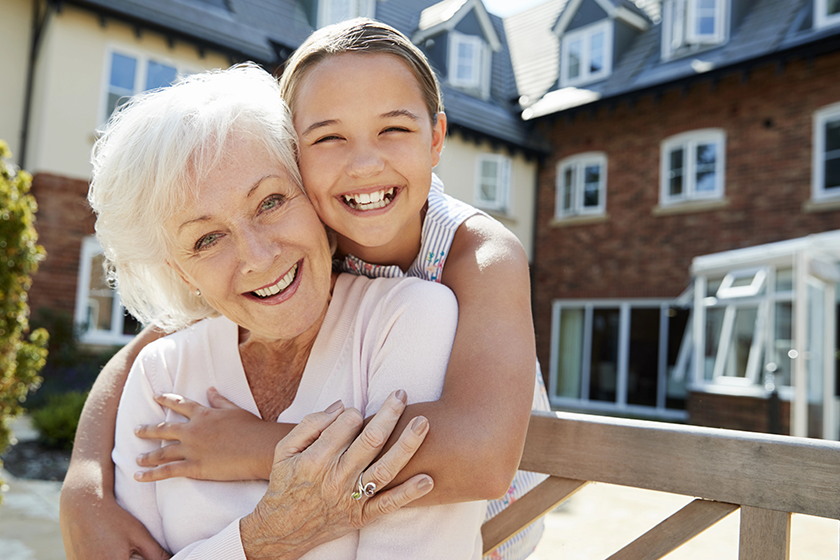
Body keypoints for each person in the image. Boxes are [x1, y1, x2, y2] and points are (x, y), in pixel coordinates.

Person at [61, 18, 548, 560]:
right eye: (329, 138)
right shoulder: (327, 227)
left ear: (436, 138)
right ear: (297, 156)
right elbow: (151, 344)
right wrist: (84, 478)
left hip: (493, 526)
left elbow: (479, 456)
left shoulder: (476, 252)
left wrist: (257, 448)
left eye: (393, 129)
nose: (363, 163)